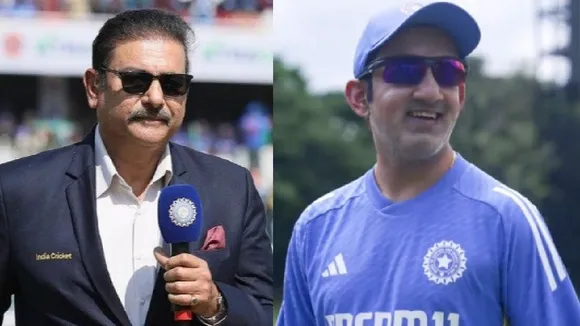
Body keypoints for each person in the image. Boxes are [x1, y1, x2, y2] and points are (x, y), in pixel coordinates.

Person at [276, 2, 580, 326]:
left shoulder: (505, 219)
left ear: (460, 95)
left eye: (448, 72)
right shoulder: (317, 228)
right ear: (360, 97)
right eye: (405, 70)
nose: (431, 91)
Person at [0, 9, 272, 326]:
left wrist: (215, 303)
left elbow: (265, 309)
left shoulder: (232, 188)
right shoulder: (17, 190)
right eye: (135, 81)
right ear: (93, 87)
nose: (156, 98)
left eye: (173, 83)